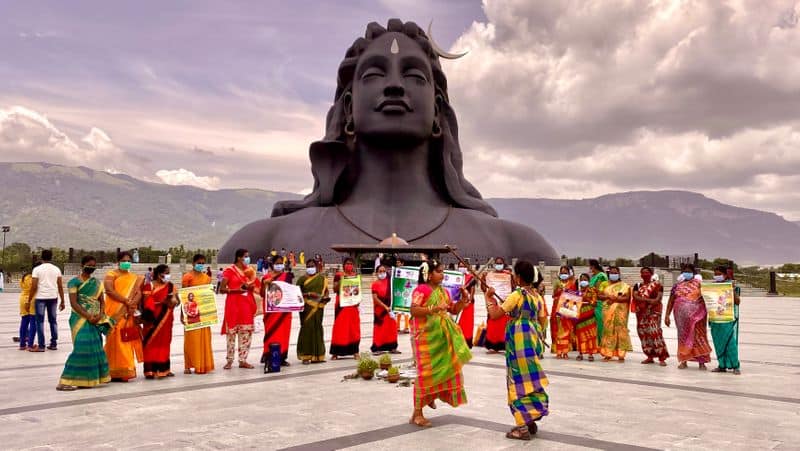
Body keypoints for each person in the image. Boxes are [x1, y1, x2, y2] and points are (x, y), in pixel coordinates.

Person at [485, 260, 549, 441]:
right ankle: (531, 419)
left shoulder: (517, 295)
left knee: (517, 381)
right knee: (531, 379)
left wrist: (489, 298)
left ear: (518, 277)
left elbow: (496, 315)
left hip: (518, 343)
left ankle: (521, 427)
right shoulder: (537, 297)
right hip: (533, 340)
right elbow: (543, 320)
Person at [409, 260, 472, 428]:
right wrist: (433, 309)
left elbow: (453, 310)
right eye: (439, 271)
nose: (442, 274)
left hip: (442, 339)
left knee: (446, 370)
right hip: (426, 339)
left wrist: (463, 300)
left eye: (442, 271)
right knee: (425, 375)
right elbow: (413, 310)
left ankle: (430, 397)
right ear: (428, 275)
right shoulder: (421, 290)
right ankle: (417, 413)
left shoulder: (443, 291)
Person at [56, 256, 115, 391]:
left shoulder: (96, 283)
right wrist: (88, 316)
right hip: (79, 319)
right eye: (89, 265)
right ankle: (65, 381)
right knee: (81, 348)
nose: (91, 267)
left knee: (95, 347)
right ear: (82, 265)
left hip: (95, 319)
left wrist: (100, 315)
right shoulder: (74, 282)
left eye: (94, 265)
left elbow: (102, 301)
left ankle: (87, 380)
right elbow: (74, 303)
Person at [103, 251, 144, 381]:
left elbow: (139, 293)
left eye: (129, 261)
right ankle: (110, 370)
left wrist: (132, 304)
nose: (127, 263)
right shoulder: (111, 274)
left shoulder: (134, 277)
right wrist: (125, 301)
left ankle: (125, 369)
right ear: (118, 262)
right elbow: (109, 290)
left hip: (128, 312)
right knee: (113, 340)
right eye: (124, 261)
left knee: (125, 340)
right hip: (114, 312)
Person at [665, 263, 711, 370]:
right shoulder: (677, 286)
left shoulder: (699, 284)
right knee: (683, 338)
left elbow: (708, 298)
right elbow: (671, 300)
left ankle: (702, 362)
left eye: (690, 271)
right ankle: (684, 361)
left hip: (698, 318)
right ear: (682, 273)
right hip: (681, 318)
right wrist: (667, 315)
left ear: (694, 273)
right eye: (685, 271)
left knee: (699, 337)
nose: (687, 273)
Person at [220, 248, 258, 369]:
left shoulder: (250, 271)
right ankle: (229, 360)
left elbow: (255, 286)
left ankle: (243, 360)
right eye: (246, 256)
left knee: (246, 333)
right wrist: (236, 290)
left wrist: (250, 287)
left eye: (248, 256)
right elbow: (222, 289)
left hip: (246, 304)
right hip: (233, 304)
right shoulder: (229, 271)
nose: (248, 258)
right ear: (239, 257)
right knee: (231, 333)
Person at [140, 264, 177, 379]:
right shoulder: (149, 285)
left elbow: (176, 301)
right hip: (151, 319)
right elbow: (145, 302)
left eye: (168, 273)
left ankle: (164, 369)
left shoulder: (171, 286)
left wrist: (173, 301)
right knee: (151, 343)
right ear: (158, 273)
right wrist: (162, 302)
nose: (167, 275)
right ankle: (150, 371)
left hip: (166, 319)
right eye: (165, 273)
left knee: (164, 343)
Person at [181, 254, 215, 375]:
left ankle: (202, 364)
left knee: (204, 338)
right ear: (193, 263)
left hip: (204, 312)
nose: (201, 265)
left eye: (203, 263)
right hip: (191, 313)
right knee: (191, 339)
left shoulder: (207, 278)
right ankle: (188, 365)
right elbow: (184, 296)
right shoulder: (187, 277)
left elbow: (209, 295)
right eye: (199, 262)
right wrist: (182, 314)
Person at [27, 249, 65, 351]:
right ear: (51, 257)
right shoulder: (56, 269)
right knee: (53, 321)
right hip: (53, 297)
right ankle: (53, 343)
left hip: (40, 298)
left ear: (41, 257)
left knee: (40, 322)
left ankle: (41, 346)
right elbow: (60, 286)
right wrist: (63, 300)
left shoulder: (37, 269)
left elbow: (34, 287)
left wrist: (29, 300)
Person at [260, 255, 294, 366]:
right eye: (277, 263)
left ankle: (282, 357)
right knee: (271, 333)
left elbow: (290, 291)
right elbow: (261, 294)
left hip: (284, 311)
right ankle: (269, 356)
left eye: (281, 263)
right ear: (272, 264)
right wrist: (265, 284)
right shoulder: (266, 277)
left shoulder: (287, 276)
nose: (279, 265)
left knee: (284, 333)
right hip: (271, 311)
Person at [633, 267, 669, 366]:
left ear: (651, 273)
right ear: (640, 275)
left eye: (647, 272)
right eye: (643, 272)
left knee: (655, 332)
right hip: (641, 313)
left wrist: (644, 300)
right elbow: (635, 296)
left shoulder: (658, 285)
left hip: (654, 312)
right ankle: (650, 356)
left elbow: (658, 299)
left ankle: (662, 357)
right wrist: (648, 300)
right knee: (644, 333)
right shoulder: (637, 285)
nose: (645, 274)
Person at [709, 265, 741, 374]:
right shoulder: (712, 287)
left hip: (727, 319)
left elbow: (737, 302)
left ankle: (735, 366)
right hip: (715, 320)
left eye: (719, 274)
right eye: (715, 274)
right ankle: (722, 365)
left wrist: (731, 290)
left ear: (725, 275)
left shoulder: (731, 286)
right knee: (718, 342)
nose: (717, 276)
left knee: (730, 342)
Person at [296, 260, 329, 364]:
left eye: (312, 266)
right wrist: (309, 294)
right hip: (306, 308)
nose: (311, 268)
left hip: (318, 307)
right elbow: (297, 294)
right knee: (306, 330)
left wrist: (326, 297)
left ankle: (318, 356)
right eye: (309, 266)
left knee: (318, 329)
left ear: (316, 266)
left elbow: (326, 291)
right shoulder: (302, 279)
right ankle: (305, 356)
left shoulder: (322, 279)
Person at [597, 266, 633, 362]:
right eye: (612, 273)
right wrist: (609, 297)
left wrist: (615, 299)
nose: (614, 274)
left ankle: (621, 355)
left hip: (620, 312)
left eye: (615, 273)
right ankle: (608, 353)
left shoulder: (625, 286)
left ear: (619, 274)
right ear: (609, 274)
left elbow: (627, 298)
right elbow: (599, 296)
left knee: (620, 331)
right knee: (608, 331)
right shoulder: (604, 284)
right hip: (607, 310)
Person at [330, 257, 361, 359]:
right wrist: (342, 281)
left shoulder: (356, 276)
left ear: (354, 266)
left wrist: (358, 301)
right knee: (339, 328)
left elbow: (358, 291)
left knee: (353, 329)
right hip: (341, 305)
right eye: (347, 263)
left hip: (352, 305)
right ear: (343, 265)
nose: (349, 265)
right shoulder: (339, 275)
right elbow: (334, 289)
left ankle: (355, 351)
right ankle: (335, 353)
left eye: (351, 264)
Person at [485, 257, 511, 354]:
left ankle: (503, 345)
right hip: (493, 303)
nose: (498, 265)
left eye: (500, 263)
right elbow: (485, 288)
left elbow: (512, 287)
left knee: (503, 325)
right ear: (494, 264)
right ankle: (492, 345)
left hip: (504, 303)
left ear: (504, 264)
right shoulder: (490, 275)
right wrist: (484, 278)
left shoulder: (508, 275)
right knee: (492, 324)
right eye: (497, 263)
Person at [371, 265, 400, 354]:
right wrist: (385, 307)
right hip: (380, 311)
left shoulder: (390, 283)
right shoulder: (375, 284)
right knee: (379, 328)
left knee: (391, 328)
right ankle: (377, 348)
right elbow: (375, 298)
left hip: (390, 310)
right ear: (377, 273)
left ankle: (392, 347)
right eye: (380, 271)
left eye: (384, 271)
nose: (382, 273)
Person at [550, 265, 577, 359]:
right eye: (562, 273)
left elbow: (575, 298)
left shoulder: (572, 283)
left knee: (566, 329)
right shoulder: (557, 283)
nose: (563, 274)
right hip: (556, 308)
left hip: (566, 309)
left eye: (565, 273)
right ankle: (558, 350)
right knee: (557, 329)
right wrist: (559, 292)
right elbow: (553, 295)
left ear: (569, 274)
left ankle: (565, 351)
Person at [575, 273, 599, 361]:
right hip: (579, 316)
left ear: (589, 281)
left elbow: (595, 303)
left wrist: (587, 300)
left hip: (589, 316)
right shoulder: (577, 292)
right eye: (581, 280)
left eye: (585, 279)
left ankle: (590, 354)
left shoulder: (592, 290)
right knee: (580, 335)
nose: (583, 281)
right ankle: (580, 353)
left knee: (590, 335)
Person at [17, 263, 40, 351]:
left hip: (22, 299)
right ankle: (30, 345)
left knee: (24, 322)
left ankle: (22, 344)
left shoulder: (24, 277)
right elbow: (34, 289)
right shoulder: (34, 278)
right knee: (33, 322)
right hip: (32, 300)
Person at [456, 261, 476, 348]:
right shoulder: (456, 277)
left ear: (467, 267)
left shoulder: (470, 277)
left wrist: (469, 301)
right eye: (460, 266)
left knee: (467, 323)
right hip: (457, 303)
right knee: (457, 322)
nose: (461, 267)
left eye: (463, 266)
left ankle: (466, 341)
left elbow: (472, 290)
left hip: (468, 304)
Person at [588, 259, 608, 345]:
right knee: (593, 323)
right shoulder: (593, 276)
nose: (589, 268)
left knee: (600, 322)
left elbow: (599, 288)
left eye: (590, 266)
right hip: (591, 302)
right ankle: (595, 343)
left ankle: (602, 343)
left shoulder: (601, 276)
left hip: (599, 302)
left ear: (593, 266)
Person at [395, 257, 410, 334]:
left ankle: (406, 327)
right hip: (398, 293)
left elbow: (408, 282)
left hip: (405, 292)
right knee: (398, 311)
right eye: (397, 262)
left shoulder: (406, 272)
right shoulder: (395, 272)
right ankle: (397, 327)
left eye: (399, 262)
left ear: (402, 263)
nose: (397, 264)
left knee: (405, 311)